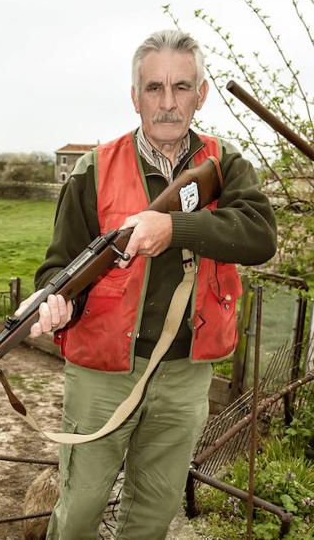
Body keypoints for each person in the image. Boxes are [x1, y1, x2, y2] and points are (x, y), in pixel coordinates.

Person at [17, 30, 277, 540]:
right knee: (79, 512)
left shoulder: (225, 165)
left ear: (200, 95)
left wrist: (174, 228)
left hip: (185, 376)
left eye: (181, 87)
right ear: (134, 96)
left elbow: (260, 235)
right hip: (102, 375)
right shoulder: (94, 169)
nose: (167, 103)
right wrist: (54, 302)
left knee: (153, 516)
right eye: (153, 88)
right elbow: (58, 267)